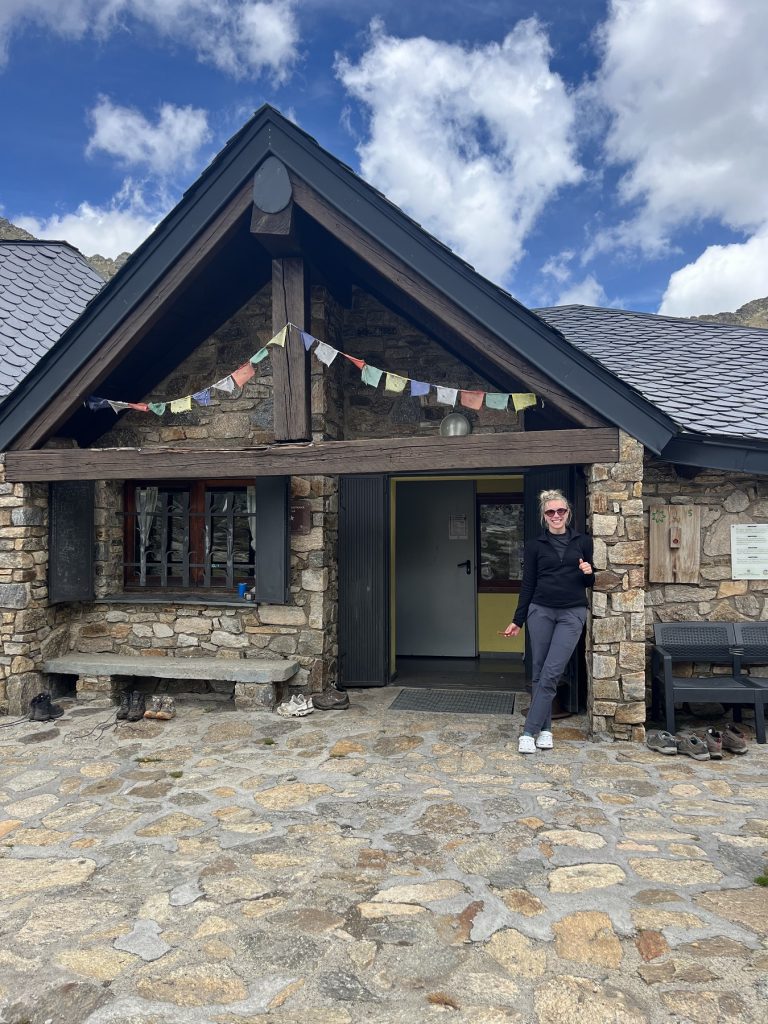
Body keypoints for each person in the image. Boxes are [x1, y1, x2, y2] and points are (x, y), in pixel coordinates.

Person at [503, 489, 594, 754]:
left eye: (561, 511)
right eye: (550, 512)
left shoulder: (583, 542)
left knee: (552, 672)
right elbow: (528, 584)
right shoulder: (535, 546)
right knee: (539, 670)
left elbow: (590, 581)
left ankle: (528, 731)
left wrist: (589, 573)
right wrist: (518, 620)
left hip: (571, 613)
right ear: (544, 516)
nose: (556, 515)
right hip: (540, 611)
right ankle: (545, 730)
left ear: (568, 513)